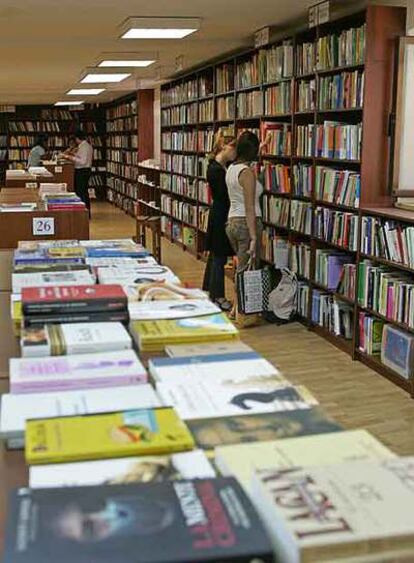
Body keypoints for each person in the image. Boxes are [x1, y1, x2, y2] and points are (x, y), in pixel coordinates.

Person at [225, 131, 264, 320]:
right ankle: (241, 312)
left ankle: (236, 307)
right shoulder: (247, 173)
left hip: (232, 222)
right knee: (245, 269)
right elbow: (249, 206)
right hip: (246, 224)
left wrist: (262, 146)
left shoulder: (232, 168)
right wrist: (254, 236)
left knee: (241, 266)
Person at [202, 132, 236, 311]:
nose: (235, 152)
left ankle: (210, 292)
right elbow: (224, 195)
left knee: (216, 255)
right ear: (224, 146)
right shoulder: (215, 169)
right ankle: (218, 297)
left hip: (222, 212)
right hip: (221, 214)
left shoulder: (223, 165)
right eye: (233, 148)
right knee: (219, 256)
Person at [62, 130, 93, 214]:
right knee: (83, 192)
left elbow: (82, 161)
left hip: (82, 171)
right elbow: (82, 157)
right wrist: (73, 154)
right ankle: (85, 211)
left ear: (77, 138)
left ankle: (83, 212)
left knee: (81, 192)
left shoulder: (84, 146)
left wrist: (69, 157)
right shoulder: (86, 146)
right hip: (85, 170)